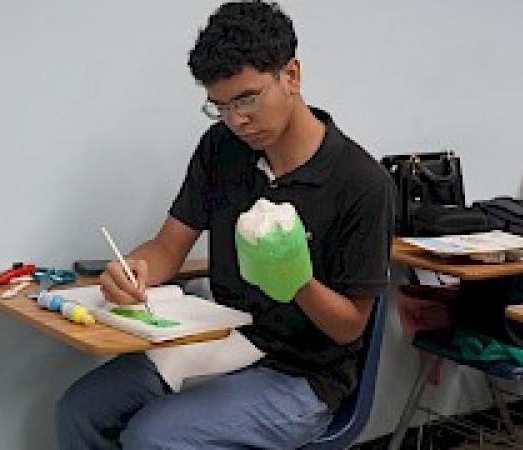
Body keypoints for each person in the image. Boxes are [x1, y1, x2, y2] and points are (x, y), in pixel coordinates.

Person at [56, 1, 394, 448]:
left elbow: (350, 327)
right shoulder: (222, 148)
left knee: (152, 437)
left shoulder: (362, 183)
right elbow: (168, 247)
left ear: (291, 76)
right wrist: (134, 269)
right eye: (220, 106)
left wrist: (297, 281)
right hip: (226, 338)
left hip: (303, 375)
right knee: (79, 411)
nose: (237, 120)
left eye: (247, 99)